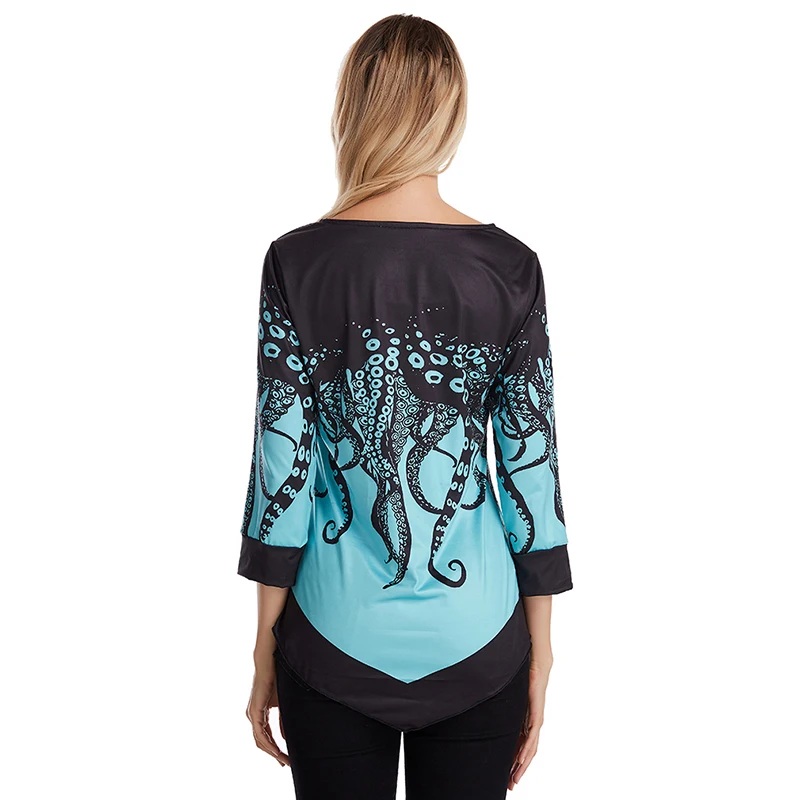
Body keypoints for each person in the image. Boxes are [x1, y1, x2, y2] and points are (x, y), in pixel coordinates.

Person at [237, 13, 573, 800]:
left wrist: (263, 644)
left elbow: (283, 468)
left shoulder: (297, 263)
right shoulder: (510, 268)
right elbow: (531, 468)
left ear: (352, 107)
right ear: (450, 109)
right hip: (480, 633)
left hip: (332, 633)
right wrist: (543, 648)